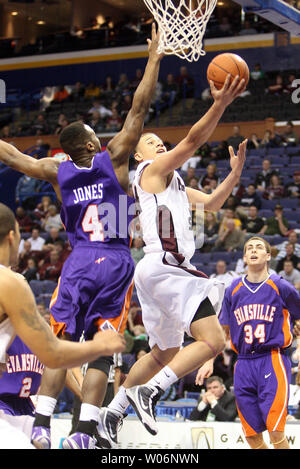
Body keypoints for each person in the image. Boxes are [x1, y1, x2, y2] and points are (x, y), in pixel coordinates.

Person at [0, 23, 163, 450]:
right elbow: (139, 106)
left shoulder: (57, 171)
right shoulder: (114, 160)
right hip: (113, 259)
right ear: (91, 142)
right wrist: (154, 57)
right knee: (103, 349)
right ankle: (85, 434)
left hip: (76, 260)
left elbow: (14, 156)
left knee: (61, 340)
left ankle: (40, 423)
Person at [96, 74, 247, 449]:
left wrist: (234, 174)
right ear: (139, 155)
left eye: (160, 141)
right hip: (167, 267)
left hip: (153, 271)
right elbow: (194, 139)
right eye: (151, 142)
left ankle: (110, 415)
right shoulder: (151, 172)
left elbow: (212, 203)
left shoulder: (173, 180)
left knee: (163, 351)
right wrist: (220, 104)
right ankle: (148, 393)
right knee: (212, 340)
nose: (158, 144)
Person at [0, 203, 126, 449]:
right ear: (13, 236)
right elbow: (54, 353)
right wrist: (98, 346)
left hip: (22, 408)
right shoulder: (11, 282)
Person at [215, 236, 300, 449]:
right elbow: (221, 331)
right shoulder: (232, 290)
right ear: (244, 257)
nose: (254, 250)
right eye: (249, 248)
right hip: (242, 363)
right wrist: (208, 359)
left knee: (276, 433)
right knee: (252, 436)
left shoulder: (281, 286)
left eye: (259, 247)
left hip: (272, 359)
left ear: (268, 256)